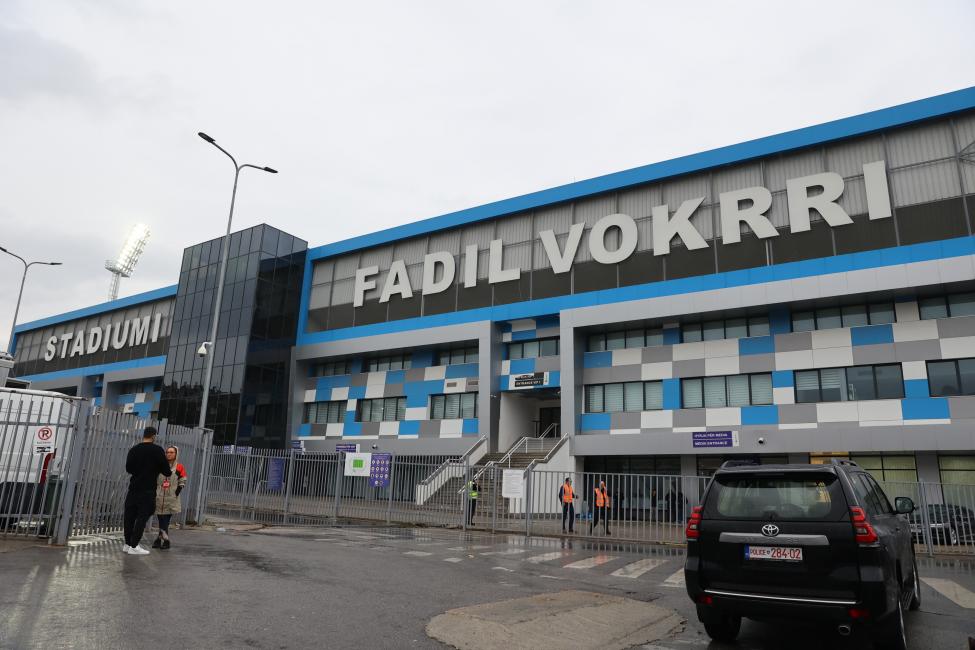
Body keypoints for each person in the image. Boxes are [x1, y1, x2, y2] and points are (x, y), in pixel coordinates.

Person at [123, 427, 171, 555]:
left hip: (133, 488)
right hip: (148, 490)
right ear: (153, 436)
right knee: (142, 517)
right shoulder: (157, 450)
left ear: (144, 435)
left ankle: (127, 544)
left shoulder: (134, 449)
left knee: (129, 517)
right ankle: (134, 546)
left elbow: (128, 468)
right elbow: (167, 471)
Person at [152, 446, 187, 550]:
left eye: (171, 452)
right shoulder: (160, 465)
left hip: (171, 497)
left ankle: (163, 540)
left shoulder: (179, 467)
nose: (169, 454)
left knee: (165, 519)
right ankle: (162, 540)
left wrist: (176, 493)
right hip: (159, 496)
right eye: (167, 452)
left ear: (176, 454)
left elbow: (183, 480)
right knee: (161, 519)